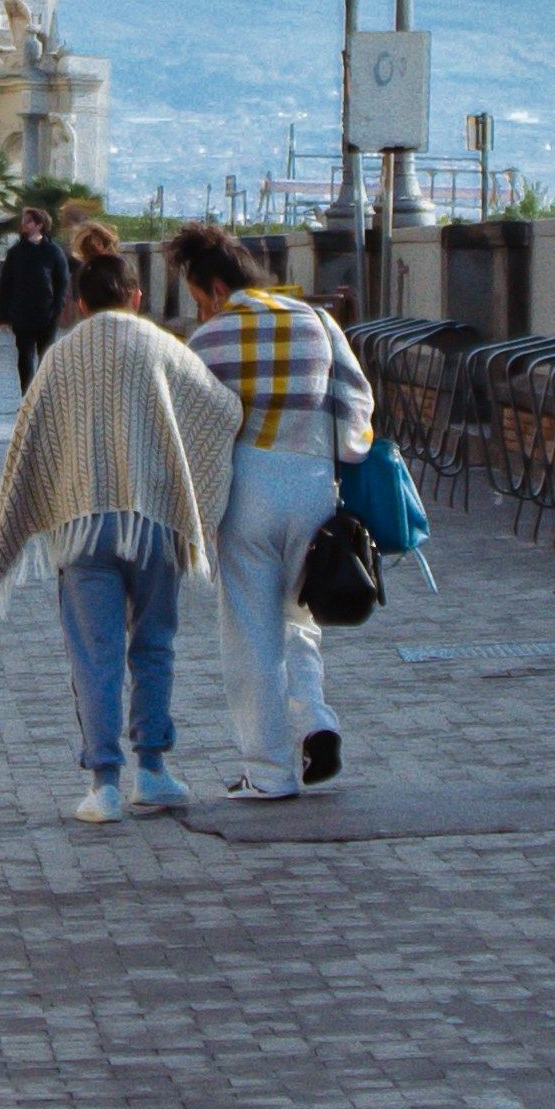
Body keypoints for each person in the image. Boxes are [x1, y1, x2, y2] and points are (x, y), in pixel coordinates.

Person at [0, 232, 235, 823]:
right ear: (138, 296)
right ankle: (154, 768)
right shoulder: (161, 345)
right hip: (153, 524)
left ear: (79, 304)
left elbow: (30, 438)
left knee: (93, 652)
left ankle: (104, 783)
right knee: (153, 645)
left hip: (81, 526)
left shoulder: (60, 356)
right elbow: (219, 409)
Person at [172, 222, 374, 801]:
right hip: (313, 481)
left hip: (248, 487)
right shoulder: (316, 320)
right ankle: (316, 721)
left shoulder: (209, 341)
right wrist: (343, 454)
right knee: (300, 616)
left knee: (250, 632)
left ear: (212, 287)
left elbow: (192, 428)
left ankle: (268, 769)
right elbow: (356, 402)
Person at [0, 208, 68, 389]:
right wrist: (3, 316)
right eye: (24, 221)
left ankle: (44, 395)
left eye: (28, 221)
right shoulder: (15, 252)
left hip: (47, 313)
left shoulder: (53, 251)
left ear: (39, 225)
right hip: (22, 313)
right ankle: (27, 395)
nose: (24, 224)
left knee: (45, 357)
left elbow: (62, 283)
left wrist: (57, 309)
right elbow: (6, 285)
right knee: (24, 357)